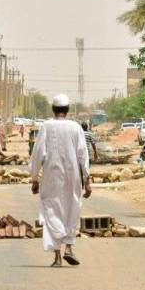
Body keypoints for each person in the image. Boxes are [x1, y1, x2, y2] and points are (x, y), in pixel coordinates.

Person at [30, 93, 92, 267]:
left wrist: (35, 178)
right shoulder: (76, 127)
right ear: (67, 110)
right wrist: (87, 180)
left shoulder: (46, 127)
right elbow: (83, 155)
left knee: (52, 212)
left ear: (53, 109)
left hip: (51, 177)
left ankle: (57, 256)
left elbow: (38, 153)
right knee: (72, 208)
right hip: (73, 177)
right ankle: (70, 248)